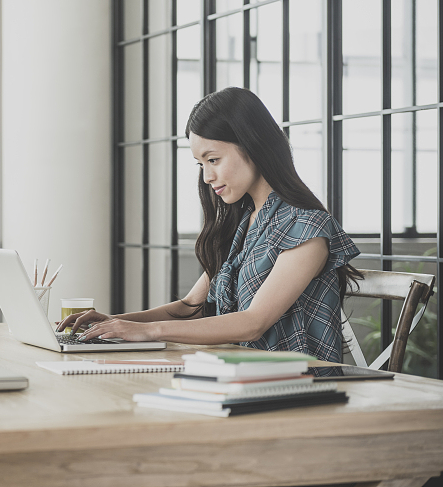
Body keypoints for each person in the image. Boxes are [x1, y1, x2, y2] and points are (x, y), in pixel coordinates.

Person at [57, 87, 362, 363]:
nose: (206, 177)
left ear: (253, 146)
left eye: (213, 159)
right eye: (200, 164)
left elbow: (253, 323)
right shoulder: (242, 223)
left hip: (296, 388)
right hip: (237, 376)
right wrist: (114, 323)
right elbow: (191, 306)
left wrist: (147, 332)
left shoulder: (307, 227)